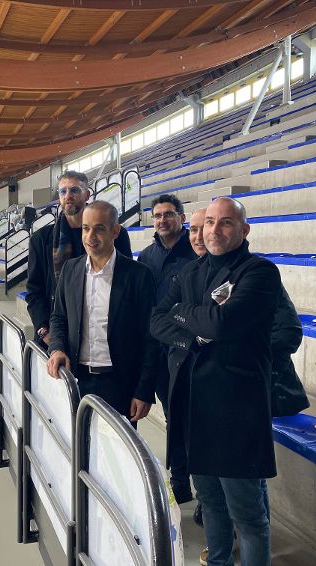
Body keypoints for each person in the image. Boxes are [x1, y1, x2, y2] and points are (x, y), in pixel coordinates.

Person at [151, 197, 281, 566]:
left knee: (249, 516)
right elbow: (157, 320)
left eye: (225, 223)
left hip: (237, 412)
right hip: (195, 408)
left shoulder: (259, 273)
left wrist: (184, 314)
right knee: (210, 505)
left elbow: (222, 324)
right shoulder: (190, 273)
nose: (214, 230)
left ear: (244, 229)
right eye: (209, 222)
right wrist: (193, 330)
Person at [46, 200, 156, 425]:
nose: (90, 236)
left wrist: (144, 390)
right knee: (77, 450)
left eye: (99, 228)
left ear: (115, 231)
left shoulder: (138, 275)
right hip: (77, 377)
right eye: (86, 228)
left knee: (118, 458)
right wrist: (56, 347)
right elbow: (59, 316)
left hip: (120, 382)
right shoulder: (70, 269)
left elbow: (151, 337)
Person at [25, 170, 132, 349]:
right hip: (57, 332)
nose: (68, 196)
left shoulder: (115, 234)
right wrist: (44, 330)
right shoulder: (41, 239)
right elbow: (35, 290)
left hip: (102, 332)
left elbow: (126, 281)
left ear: (87, 194)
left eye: (74, 190)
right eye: (63, 191)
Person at [137, 194, 197, 504]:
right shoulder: (146, 256)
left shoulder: (196, 253)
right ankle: (180, 483)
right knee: (172, 419)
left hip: (187, 352)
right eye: (158, 215)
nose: (162, 220)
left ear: (181, 217)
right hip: (155, 352)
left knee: (186, 420)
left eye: (169, 214)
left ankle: (197, 488)